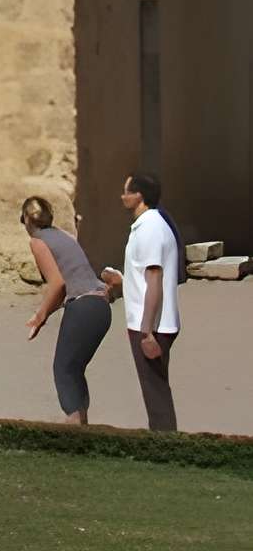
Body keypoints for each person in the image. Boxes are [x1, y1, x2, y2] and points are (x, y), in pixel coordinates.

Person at [21, 194, 114, 425]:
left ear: (27, 220)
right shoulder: (65, 235)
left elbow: (58, 284)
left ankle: (74, 427)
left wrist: (39, 317)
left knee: (63, 369)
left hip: (83, 307)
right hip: (100, 308)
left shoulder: (37, 241)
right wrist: (44, 312)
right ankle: (80, 425)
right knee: (74, 369)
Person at [100, 171, 182, 432]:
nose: (122, 196)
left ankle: (164, 446)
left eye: (126, 191)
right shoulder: (147, 225)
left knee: (155, 391)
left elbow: (155, 278)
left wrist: (147, 331)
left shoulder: (150, 229)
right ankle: (163, 440)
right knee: (154, 390)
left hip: (152, 326)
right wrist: (121, 281)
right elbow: (144, 278)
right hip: (148, 322)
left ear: (138, 196)